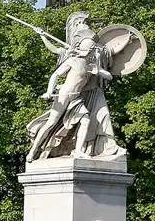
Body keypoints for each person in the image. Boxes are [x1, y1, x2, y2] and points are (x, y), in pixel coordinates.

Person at [26, 31, 133, 162]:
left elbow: (109, 75)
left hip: (76, 98)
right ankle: (32, 152)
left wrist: (99, 72)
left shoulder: (92, 66)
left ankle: (78, 151)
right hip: (64, 96)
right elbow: (55, 75)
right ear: (89, 51)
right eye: (93, 49)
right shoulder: (72, 61)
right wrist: (49, 90)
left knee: (85, 120)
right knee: (50, 123)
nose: (95, 52)